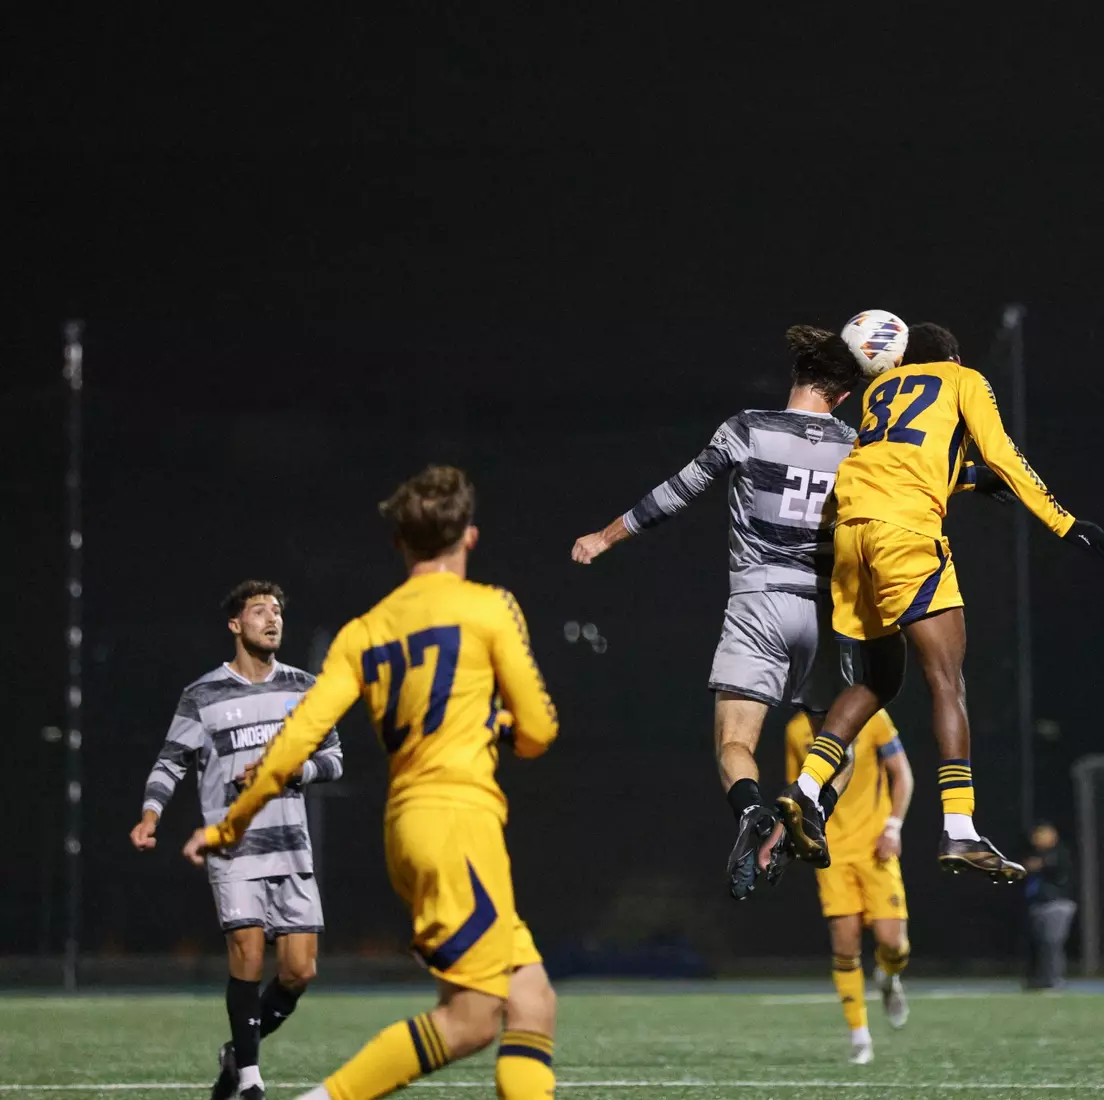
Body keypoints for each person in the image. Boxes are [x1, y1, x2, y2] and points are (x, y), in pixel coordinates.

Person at [183, 466, 562, 1100]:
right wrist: (497, 725)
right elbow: (539, 732)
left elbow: (294, 742)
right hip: (459, 826)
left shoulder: (365, 631)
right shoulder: (490, 607)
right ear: (469, 538)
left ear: (399, 544)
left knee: (532, 1001)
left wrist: (228, 825)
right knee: (470, 1022)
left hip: (409, 827)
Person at [779, 321, 1104, 880]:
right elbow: (1004, 452)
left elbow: (902, 454)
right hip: (905, 533)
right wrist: (1064, 523)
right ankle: (960, 829)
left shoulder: (877, 392)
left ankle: (806, 789)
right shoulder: (962, 379)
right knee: (946, 680)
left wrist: (967, 478)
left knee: (877, 682)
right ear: (953, 358)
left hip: (849, 532)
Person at [570, 326, 863, 898]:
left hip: (757, 605)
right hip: (827, 613)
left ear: (798, 378)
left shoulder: (748, 429)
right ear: (844, 395)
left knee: (735, 743)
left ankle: (754, 815)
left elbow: (678, 491)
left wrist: (606, 537)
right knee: (838, 748)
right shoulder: (856, 443)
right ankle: (811, 808)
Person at [130, 580, 343, 1100]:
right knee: (246, 953)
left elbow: (334, 759)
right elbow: (170, 761)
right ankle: (249, 1080)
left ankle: (236, 1052)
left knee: (299, 971)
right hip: (235, 848)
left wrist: (293, 772)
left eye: (277, 612)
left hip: (291, 847)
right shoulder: (203, 694)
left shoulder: (304, 686)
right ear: (235, 625)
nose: (272, 619)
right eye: (259, 611)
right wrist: (150, 814)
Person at [784, 707, 913, 1064]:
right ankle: (860, 1037)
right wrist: (793, 838)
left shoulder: (873, 717)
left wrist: (893, 827)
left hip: (875, 848)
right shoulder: (797, 730)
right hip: (833, 853)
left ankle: (888, 977)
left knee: (894, 945)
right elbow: (797, 794)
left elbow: (902, 774)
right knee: (845, 944)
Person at [1024, 821, 1077, 990]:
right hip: (1038, 904)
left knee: (1052, 942)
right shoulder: (1033, 854)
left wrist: (1040, 865)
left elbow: (1056, 867)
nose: (1039, 838)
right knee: (1039, 944)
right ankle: (1038, 979)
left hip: (1057, 904)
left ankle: (1054, 980)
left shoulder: (1059, 853)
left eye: (1044, 834)